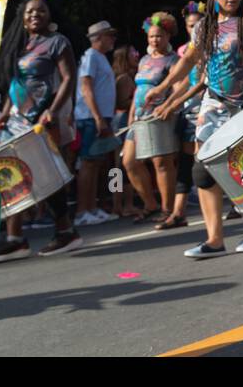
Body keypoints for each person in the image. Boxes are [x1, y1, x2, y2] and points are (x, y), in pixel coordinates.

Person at [148, 0, 243, 256]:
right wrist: (163, 89)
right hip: (214, 103)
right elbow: (187, 62)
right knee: (203, 170)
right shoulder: (204, 27)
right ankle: (214, 239)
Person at [0, 0, 82, 261]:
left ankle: (66, 231)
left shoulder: (57, 42)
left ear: (49, 15)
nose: (35, 14)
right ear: (23, 19)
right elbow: (16, 84)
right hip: (15, 121)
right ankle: (15, 239)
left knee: (47, 176)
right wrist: (4, 113)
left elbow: (69, 78)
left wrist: (52, 111)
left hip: (43, 121)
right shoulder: (20, 45)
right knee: (11, 175)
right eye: (30, 12)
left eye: (41, 10)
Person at [122, 13, 182, 228]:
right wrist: (131, 115)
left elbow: (178, 87)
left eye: (159, 36)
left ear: (168, 36)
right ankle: (150, 204)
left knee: (161, 163)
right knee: (128, 161)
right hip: (138, 117)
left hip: (159, 116)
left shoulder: (173, 59)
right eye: (151, 36)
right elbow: (139, 88)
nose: (155, 40)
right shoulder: (145, 60)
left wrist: (169, 107)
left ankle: (168, 209)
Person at [73, 21, 119, 226]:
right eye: (109, 35)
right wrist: (98, 117)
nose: (113, 40)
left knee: (98, 163)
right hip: (91, 117)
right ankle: (83, 210)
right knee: (88, 163)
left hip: (101, 117)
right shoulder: (91, 56)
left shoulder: (100, 57)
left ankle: (92, 207)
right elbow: (86, 86)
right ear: (98, 37)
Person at [110, 44, 140, 217]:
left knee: (117, 166)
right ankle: (125, 204)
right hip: (122, 121)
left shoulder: (121, 77)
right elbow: (122, 102)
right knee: (121, 165)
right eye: (133, 53)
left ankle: (118, 204)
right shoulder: (125, 79)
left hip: (118, 121)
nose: (136, 55)